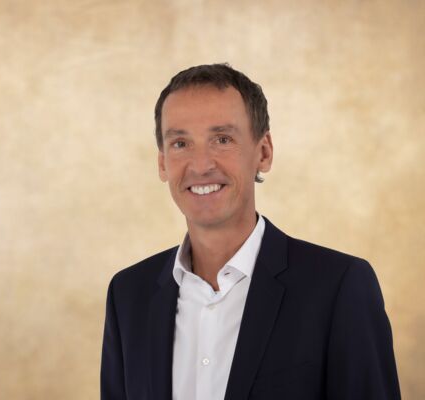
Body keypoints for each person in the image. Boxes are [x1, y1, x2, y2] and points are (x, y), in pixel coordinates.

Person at [100, 63, 401, 400]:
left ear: (264, 152)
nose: (201, 165)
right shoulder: (128, 296)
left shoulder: (339, 287)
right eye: (181, 143)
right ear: (162, 163)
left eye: (222, 139)